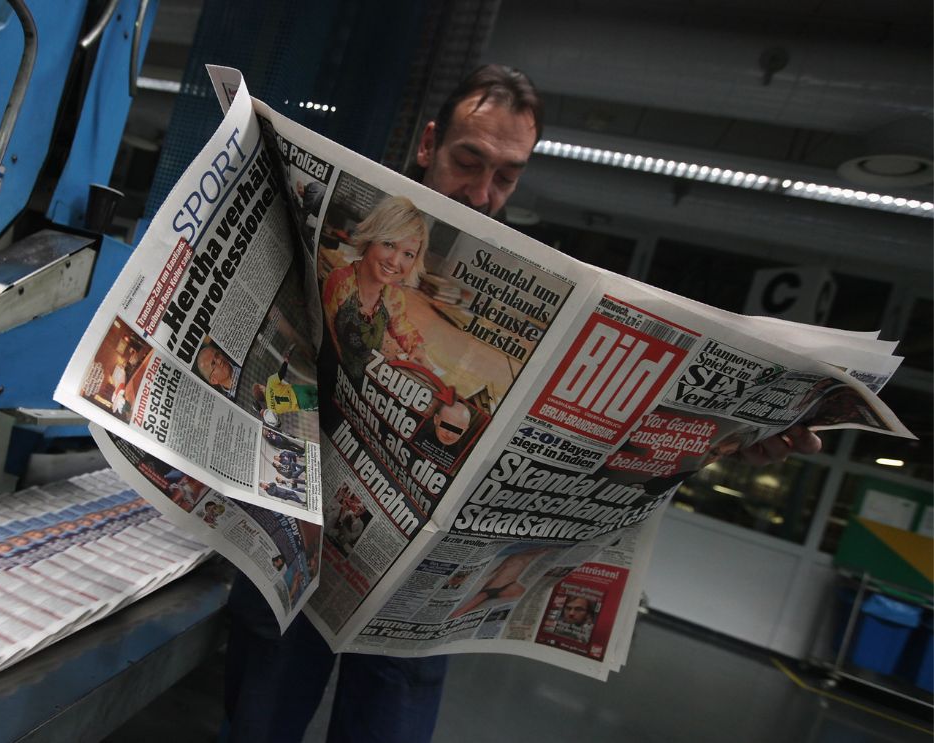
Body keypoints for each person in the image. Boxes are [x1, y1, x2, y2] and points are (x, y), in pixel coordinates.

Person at [224, 63, 821, 743]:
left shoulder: (535, 284)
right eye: (466, 161)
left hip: (416, 591)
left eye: (505, 175)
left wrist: (728, 437)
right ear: (427, 145)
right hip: (308, 540)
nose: (481, 193)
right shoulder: (347, 238)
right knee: (257, 722)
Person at [322, 196, 431, 382]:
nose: (395, 262)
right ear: (372, 237)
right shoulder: (340, 281)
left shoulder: (395, 296)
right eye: (389, 244)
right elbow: (329, 338)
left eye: (408, 254)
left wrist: (417, 349)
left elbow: (403, 328)